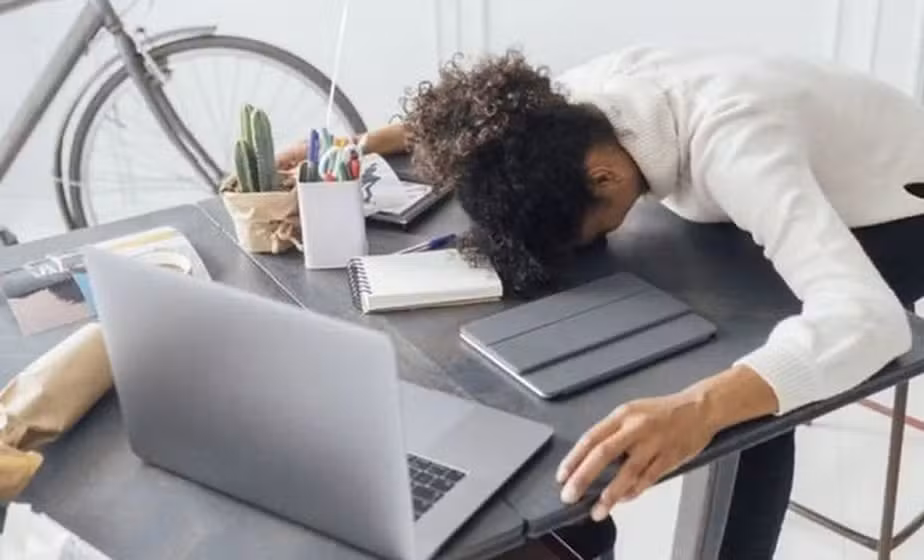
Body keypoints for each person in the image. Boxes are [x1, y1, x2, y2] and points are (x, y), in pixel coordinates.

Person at [279, 46, 924, 558]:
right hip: (775, 169)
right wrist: (363, 146)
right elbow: (493, 117)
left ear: (607, 178)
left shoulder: (739, 146)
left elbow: (867, 319)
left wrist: (700, 408)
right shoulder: (585, 105)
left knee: (746, 404)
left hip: (893, 208)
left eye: (595, 221)